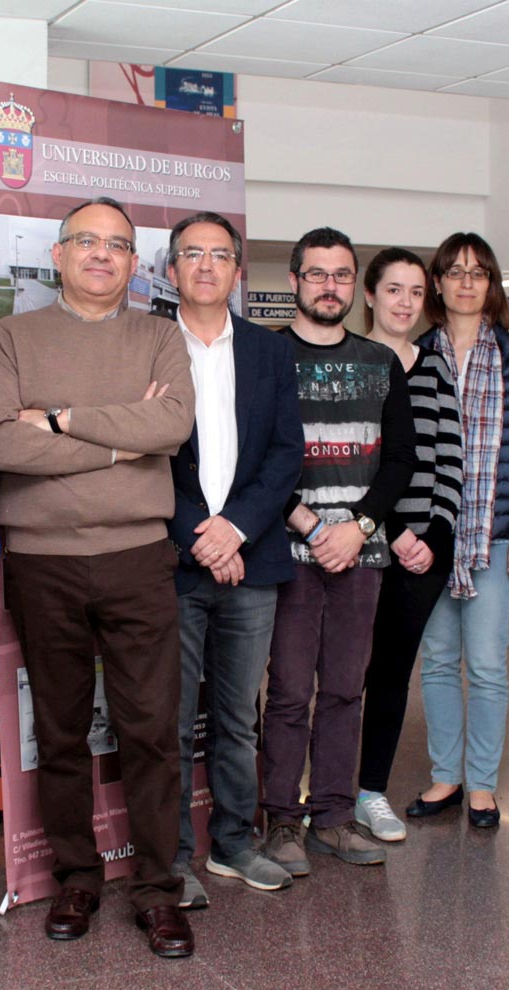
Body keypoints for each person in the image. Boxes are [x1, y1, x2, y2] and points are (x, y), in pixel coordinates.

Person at [0, 197, 198, 958]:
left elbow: (169, 427)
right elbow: (4, 443)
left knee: (149, 730)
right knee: (61, 732)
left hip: (139, 557)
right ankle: (77, 878)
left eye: (118, 245)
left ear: (135, 263)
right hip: (43, 561)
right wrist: (116, 441)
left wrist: (62, 418)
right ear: (60, 253)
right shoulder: (11, 336)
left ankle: (157, 889)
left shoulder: (160, 336)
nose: (102, 255)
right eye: (87, 242)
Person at [259, 227, 415, 874]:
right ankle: (282, 825)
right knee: (291, 694)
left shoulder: (382, 362)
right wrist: (314, 528)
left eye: (342, 275)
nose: (330, 286)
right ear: (294, 281)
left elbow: (401, 460)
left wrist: (358, 527)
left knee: (347, 692)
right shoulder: (264, 357)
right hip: (290, 559)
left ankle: (333, 816)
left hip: (360, 557)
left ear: (355, 286)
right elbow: (254, 457)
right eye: (317, 274)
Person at [163, 212, 303, 907]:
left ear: (238, 272)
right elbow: (145, 453)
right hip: (176, 558)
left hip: (251, 560)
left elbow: (286, 454)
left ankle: (234, 841)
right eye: (194, 254)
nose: (208, 266)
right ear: (171, 269)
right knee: (169, 713)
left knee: (238, 716)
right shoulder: (149, 344)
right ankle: (173, 859)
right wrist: (201, 533)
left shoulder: (270, 352)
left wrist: (237, 530)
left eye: (221, 255)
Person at [409, 234, 509, 830]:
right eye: (455, 272)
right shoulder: (413, 355)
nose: (466, 283)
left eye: (478, 273)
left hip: (496, 533)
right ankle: (446, 776)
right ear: (437, 284)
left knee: (488, 664)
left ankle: (483, 785)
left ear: (491, 285)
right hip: (431, 537)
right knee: (438, 660)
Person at [353, 247, 463, 840]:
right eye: (393, 289)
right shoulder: (348, 361)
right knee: (344, 673)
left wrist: (433, 535)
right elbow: (349, 461)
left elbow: (450, 461)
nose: (404, 303)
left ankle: (370, 790)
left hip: (424, 552)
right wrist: (389, 532)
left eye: (416, 293)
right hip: (358, 543)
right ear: (369, 295)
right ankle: (324, 791)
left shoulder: (436, 366)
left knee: (392, 673)